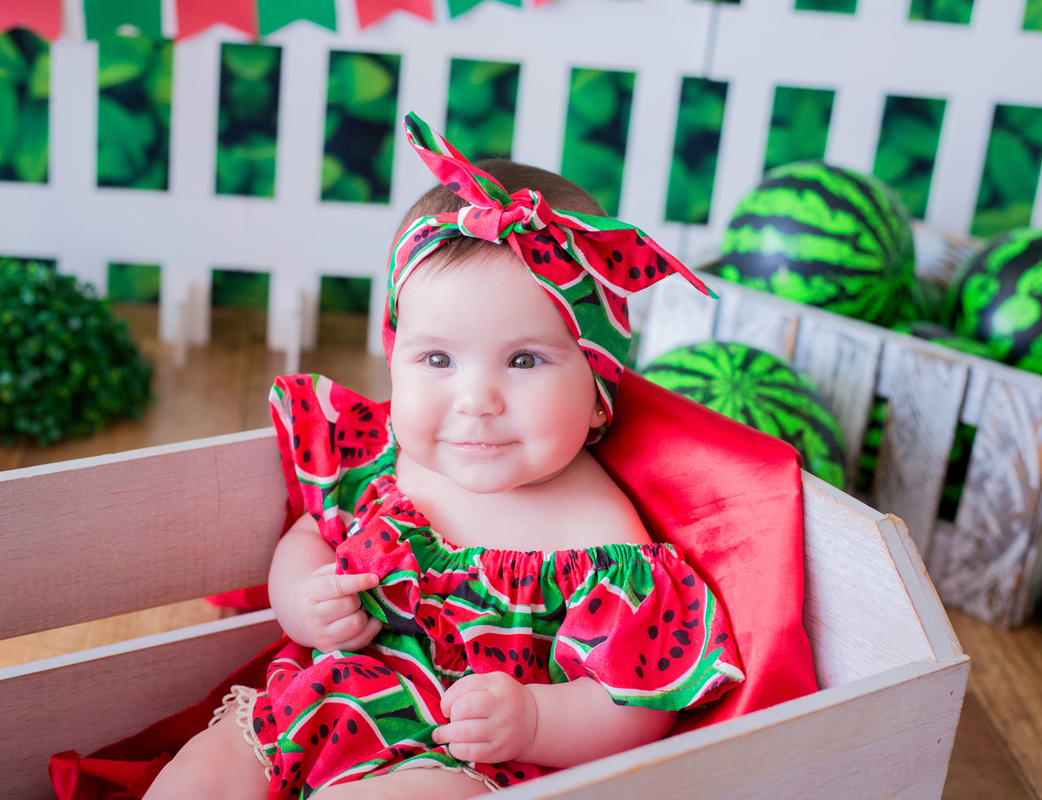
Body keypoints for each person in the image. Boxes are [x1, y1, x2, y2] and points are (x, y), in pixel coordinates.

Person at [144, 114, 742, 800]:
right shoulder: (386, 461)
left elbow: (638, 703)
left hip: (459, 760)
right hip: (320, 707)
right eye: (437, 359)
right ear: (395, 359)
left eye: (524, 359)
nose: (475, 399)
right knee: (203, 773)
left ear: (599, 384)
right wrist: (303, 603)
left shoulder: (599, 538)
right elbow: (313, 534)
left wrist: (536, 719)